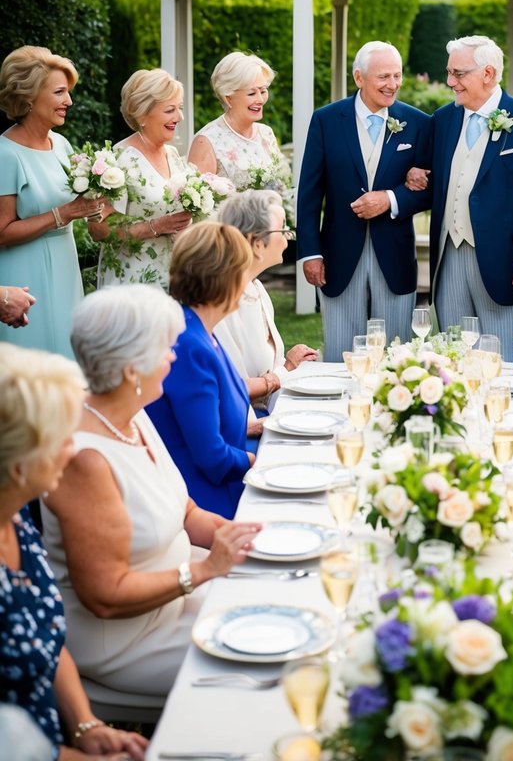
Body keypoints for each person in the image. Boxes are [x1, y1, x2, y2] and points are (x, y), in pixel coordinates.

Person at [41, 285, 260, 700]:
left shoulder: (134, 413)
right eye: (164, 348)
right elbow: (104, 596)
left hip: (178, 598)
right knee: (259, 664)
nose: (173, 356)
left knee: (274, 597)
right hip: (125, 638)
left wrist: (249, 537)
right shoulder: (84, 460)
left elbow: (186, 510)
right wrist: (205, 570)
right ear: (130, 369)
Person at [0, 343, 147, 760]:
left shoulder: (14, 519)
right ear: (19, 466)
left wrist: (85, 726)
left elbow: (46, 636)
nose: (75, 445)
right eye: (62, 437)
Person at [417, 35, 513, 355]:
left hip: (507, 261)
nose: (450, 81)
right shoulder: (443, 119)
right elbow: (429, 175)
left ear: (488, 74)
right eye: (449, 72)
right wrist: (414, 175)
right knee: (454, 354)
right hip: (449, 255)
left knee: (506, 358)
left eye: (459, 74)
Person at [296, 41, 429, 360]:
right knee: (342, 354)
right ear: (359, 78)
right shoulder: (326, 120)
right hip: (338, 255)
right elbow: (309, 192)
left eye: (398, 76)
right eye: (384, 76)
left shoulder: (418, 123)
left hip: (395, 255)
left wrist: (391, 199)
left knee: (397, 356)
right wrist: (310, 253)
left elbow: (430, 187)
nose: (393, 84)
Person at [144, 222, 256, 514]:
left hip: (221, 483)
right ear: (226, 277)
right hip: (204, 501)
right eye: (245, 270)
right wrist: (260, 461)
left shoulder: (199, 329)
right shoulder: (189, 346)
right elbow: (212, 458)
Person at [0, 46, 103, 359]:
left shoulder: (61, 145)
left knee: (69, 361)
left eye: (68, 92)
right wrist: (64, 214)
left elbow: (73, 202)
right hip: (24, 276)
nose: (69, 101)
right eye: (59, 92)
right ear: (29, 97)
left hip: (65, 267)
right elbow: (2, 231)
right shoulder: (6, 154)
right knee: (34, 370)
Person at [216, 190, 317, 428]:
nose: (288, 238)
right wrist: (286, 370)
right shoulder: (220, 303)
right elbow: (230, 391)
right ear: (257, 243)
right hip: (243, 426)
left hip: (270, 410)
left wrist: (290, 365)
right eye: (282, 230)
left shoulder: (256, 288)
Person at [88, 69, 192, 288]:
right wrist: (154, 226)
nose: (179, 117)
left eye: (180, 108)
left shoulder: (172, 155)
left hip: (174, 275)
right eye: (170, 110)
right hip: (134, 281)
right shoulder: (118, 159)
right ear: (142, 114)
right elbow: (97, 229)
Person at [188, 52, 290, 195]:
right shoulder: (206, 141)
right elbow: (198, 208)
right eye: (252, 93)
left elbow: (281, 185)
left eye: (263, 91)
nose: (260, 99)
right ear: (228, 98)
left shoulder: (266, 134)